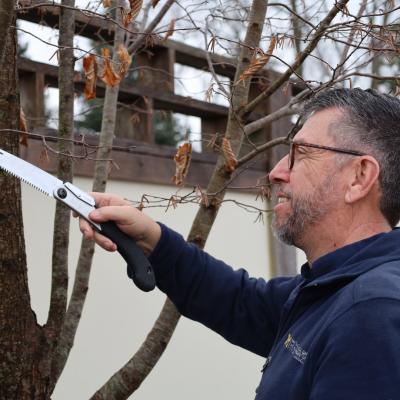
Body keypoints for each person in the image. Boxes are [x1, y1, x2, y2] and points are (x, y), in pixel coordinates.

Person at [79, 88, 400, 399]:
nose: (276, 172)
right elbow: (240, 301)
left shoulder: (371, 314)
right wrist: (151, 239)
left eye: (300, 154)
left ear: (359, 177)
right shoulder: (331, 289)